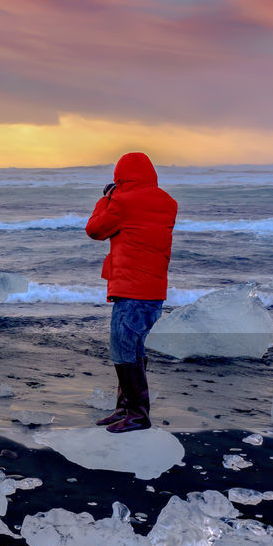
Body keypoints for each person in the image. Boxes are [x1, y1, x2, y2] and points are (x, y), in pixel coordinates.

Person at [85, 152, 177, 432]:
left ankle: (137, 415)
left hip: (131, 289)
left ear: (120, 178)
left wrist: (106, 199)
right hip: (153, 291)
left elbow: (95, 230)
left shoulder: (122, 202)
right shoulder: (167, 202)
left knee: (123, 351)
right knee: (134, 349)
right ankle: (125, 409)